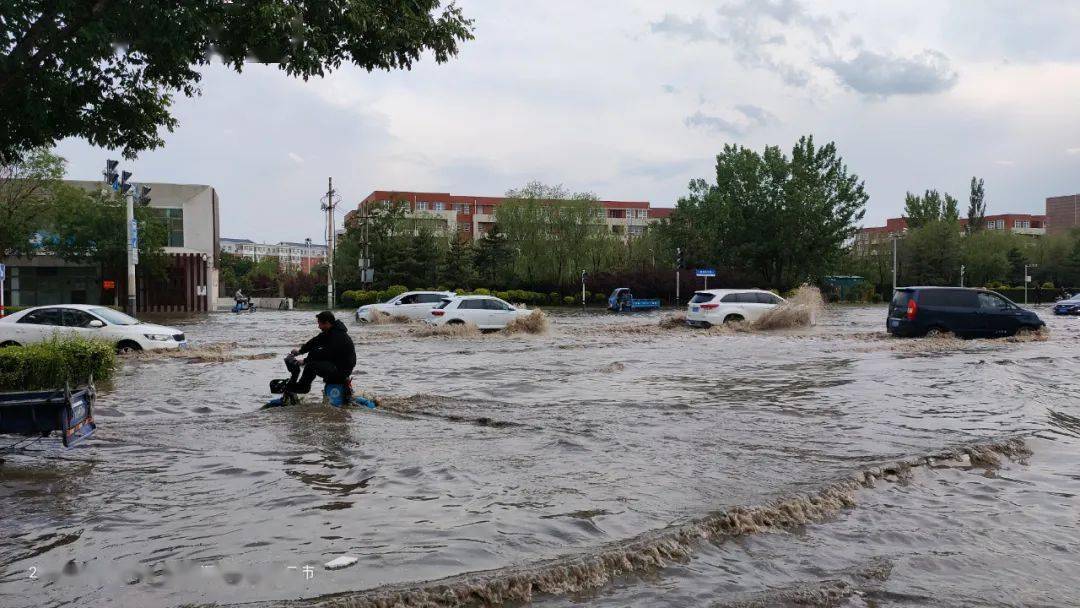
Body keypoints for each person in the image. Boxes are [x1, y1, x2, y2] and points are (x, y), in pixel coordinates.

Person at [284, 311, 357, 396]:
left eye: (320, 324)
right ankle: (302, 386)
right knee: (313, 357)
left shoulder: (338, 336)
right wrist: (300, 351)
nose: (319, 327)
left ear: (327, 323)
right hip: (336, 365)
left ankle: (303, 387)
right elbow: (315, 341)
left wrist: (305, 360)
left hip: (341, 370)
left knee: (311, 365)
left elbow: (326, 353)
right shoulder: (331, 331)